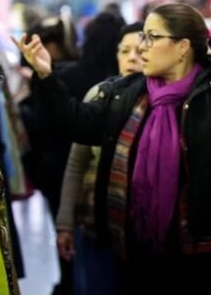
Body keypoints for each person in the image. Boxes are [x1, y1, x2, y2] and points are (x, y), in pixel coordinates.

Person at [14, 3, 211, 294]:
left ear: (182, 46)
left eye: (151, 37)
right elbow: (76, 123)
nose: (141, 48)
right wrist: (45, 77)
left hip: (203, 255)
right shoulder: (127, 92)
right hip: (138, 252)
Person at [55, 22, 144, 295]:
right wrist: (65, 223)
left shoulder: (162, 104)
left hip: (141, 231)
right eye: (124, 50)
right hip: (95, 223)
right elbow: (77, 163)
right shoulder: (100, 95)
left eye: (139, 50)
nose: (131, 57)